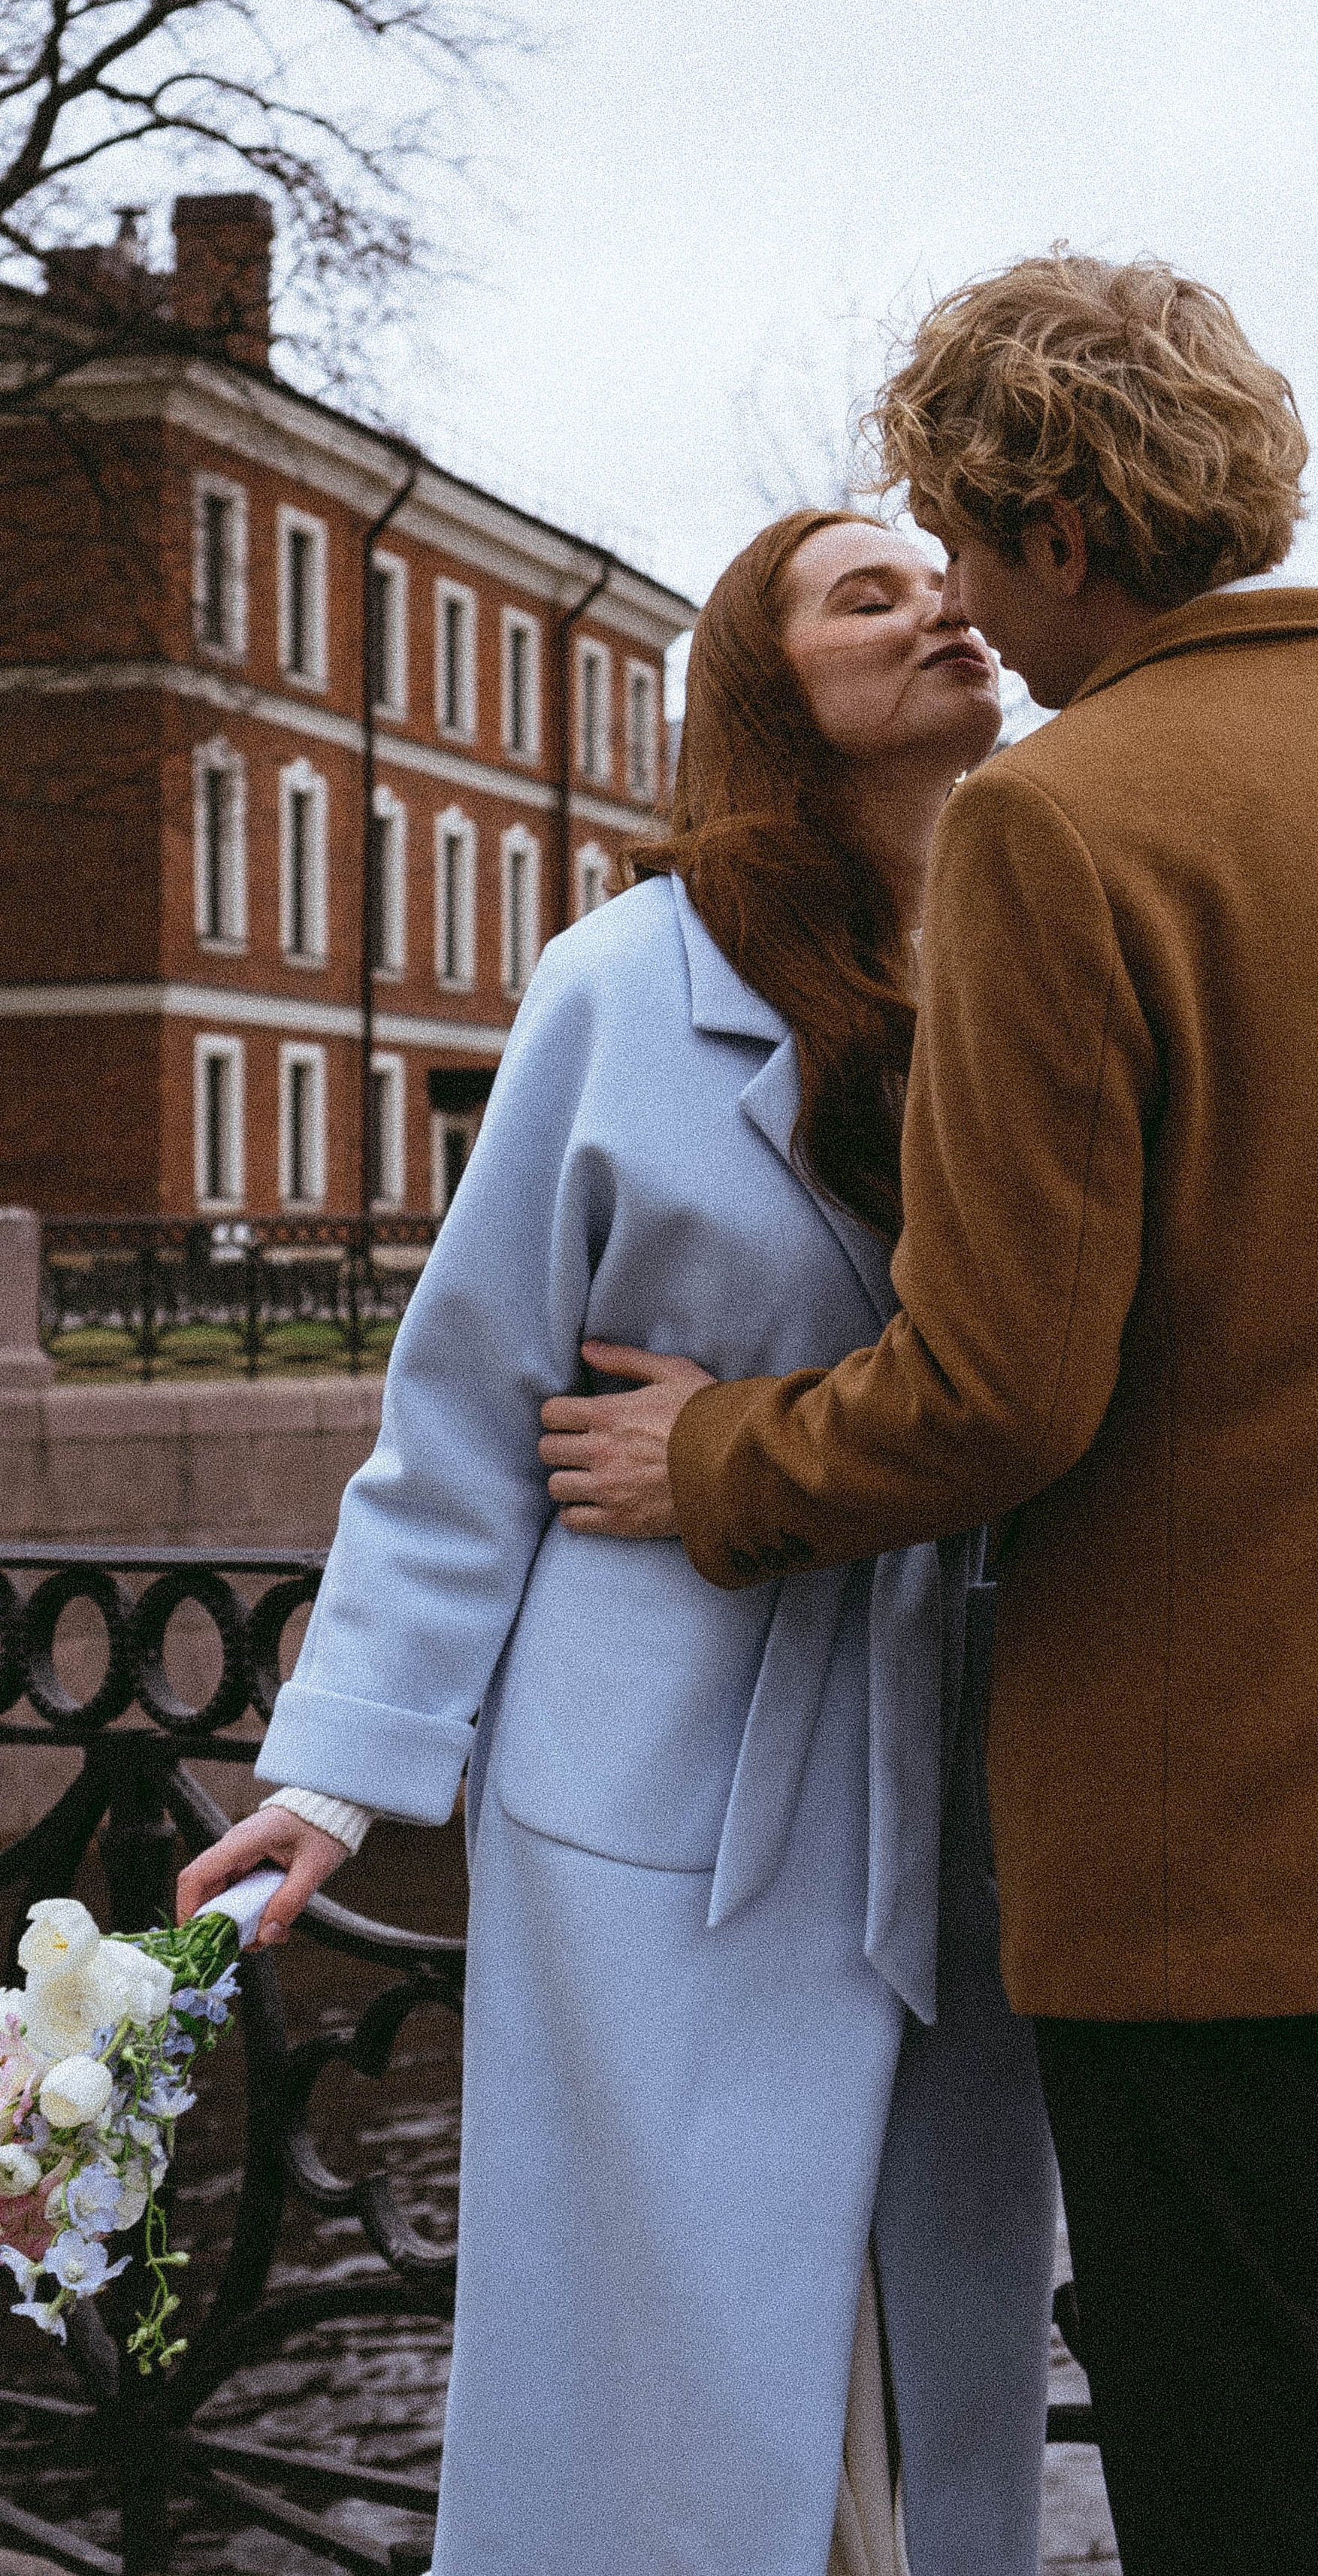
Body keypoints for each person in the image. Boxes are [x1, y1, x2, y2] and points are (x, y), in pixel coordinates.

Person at [552, 253, 1318, 2576]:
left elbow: (1001, 1393)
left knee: (1232, 2473)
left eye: (973, 549)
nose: (977, 613)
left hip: (1194, 1840)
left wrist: (714, 1459)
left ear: (1066, 538)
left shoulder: (1065, 824)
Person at [176, 510, 1059, 2576]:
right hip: (658, 1755)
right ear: (767, 693)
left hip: (964, 1744)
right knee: (678, 2367)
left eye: (947, 574)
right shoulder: (624, 980)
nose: (940, 604)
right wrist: (339, 1762)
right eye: (867, 591)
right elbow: (470, 1403)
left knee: (937, 2353)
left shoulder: (1048, 956)